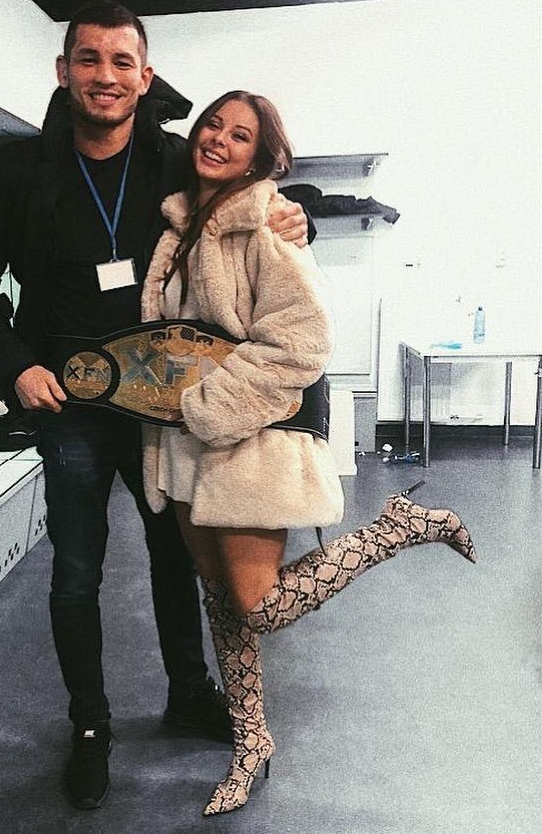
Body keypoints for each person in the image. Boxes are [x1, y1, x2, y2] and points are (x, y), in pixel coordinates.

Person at [0, 0, 314, 812]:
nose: (104, 76)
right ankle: (89, 727)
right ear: (64, 70)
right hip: (67, 404)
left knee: (177, 560)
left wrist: (295, 216)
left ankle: (188, 692)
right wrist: (14, 365)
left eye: (121, 62)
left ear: (145, 77)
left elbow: (251, 202)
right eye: (89, 59)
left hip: (166, 407)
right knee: (77, 571)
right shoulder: (14, 171)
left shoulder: (177, 161)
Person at [140, 90, 477, 816]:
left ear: (260, 160)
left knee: (257, 604)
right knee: (220, 600)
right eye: (212, 125)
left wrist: (209, 405)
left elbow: (303, 341)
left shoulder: (266, 225)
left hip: (246, 434)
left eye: (240, 136)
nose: (218, 140)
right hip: (186, 439)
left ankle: (395, 529)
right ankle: (249, 741)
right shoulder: (179, 228)